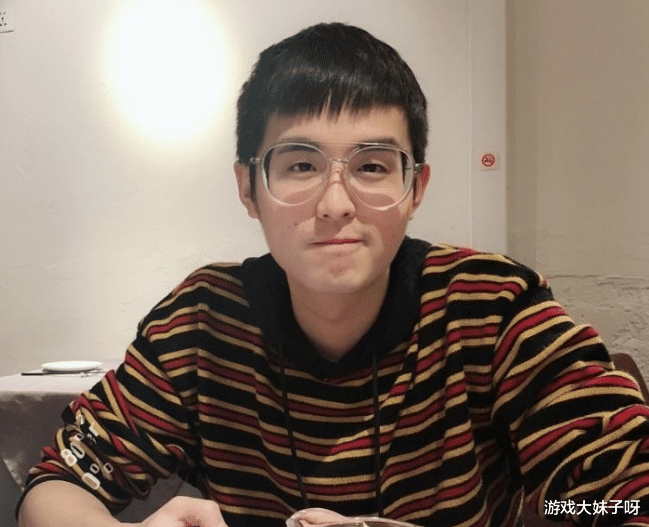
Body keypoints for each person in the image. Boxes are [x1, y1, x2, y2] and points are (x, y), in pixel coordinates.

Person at [16, 22, 649, 527]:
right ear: (248, 188)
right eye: (300, 165)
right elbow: (56, 483)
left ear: (416, 187)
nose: (336, 204)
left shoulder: (491, 307)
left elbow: (625, 498)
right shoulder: (203, 324)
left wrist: (551, 516)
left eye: (372, 166)